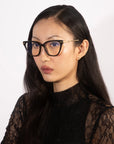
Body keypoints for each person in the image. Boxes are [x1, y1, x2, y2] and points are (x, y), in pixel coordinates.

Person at [1, 5, 114, 144]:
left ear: (81, 49)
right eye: (36, 44)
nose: (43, 57)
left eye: (54, 44)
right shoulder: (26, 106)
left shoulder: (102, 117)